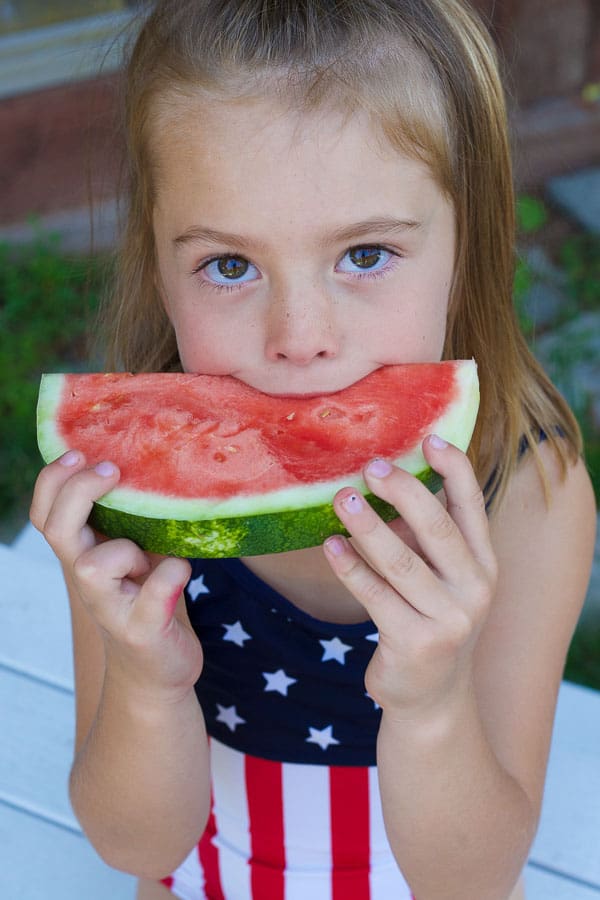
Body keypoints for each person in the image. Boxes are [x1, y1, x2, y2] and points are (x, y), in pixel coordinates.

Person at [30, 1, 596, 898]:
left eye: (366, 254)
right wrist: (146, 685)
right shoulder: (126, 497)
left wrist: (432, 699)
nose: (301, 337)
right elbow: (134, 846)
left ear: (470, 241)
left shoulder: (525, 492)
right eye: (229, 265)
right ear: (156, 265)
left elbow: (476, 880)